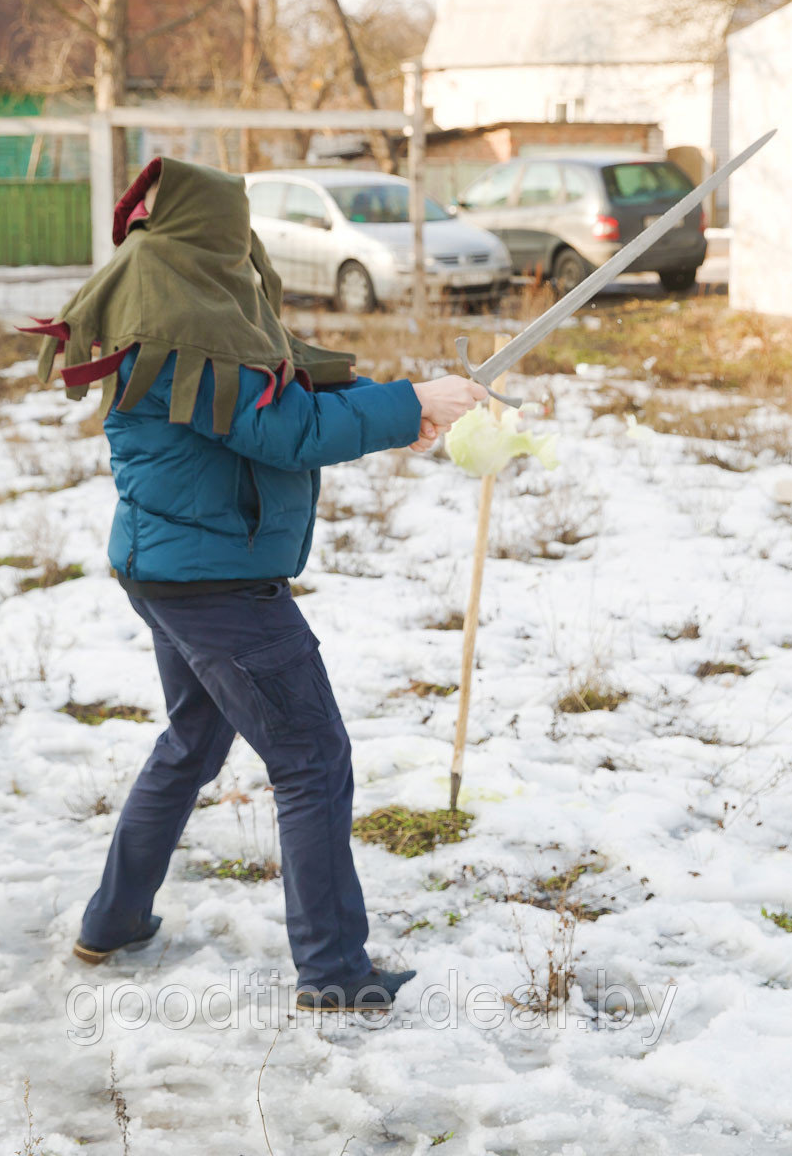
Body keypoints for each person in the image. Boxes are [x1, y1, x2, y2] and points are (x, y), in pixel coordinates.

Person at [25, 157, 486, 1012]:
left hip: (172, 569)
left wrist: (407, 410)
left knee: (193, 744)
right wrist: (408, 399)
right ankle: (335, 975)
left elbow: (279, 395)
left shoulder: (166, 298)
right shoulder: (183, 322)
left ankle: (114, 919)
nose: (247, 251)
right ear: (215, 234)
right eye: (238, 233)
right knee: (312, 758)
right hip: (217, 586)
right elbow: (281, 429)